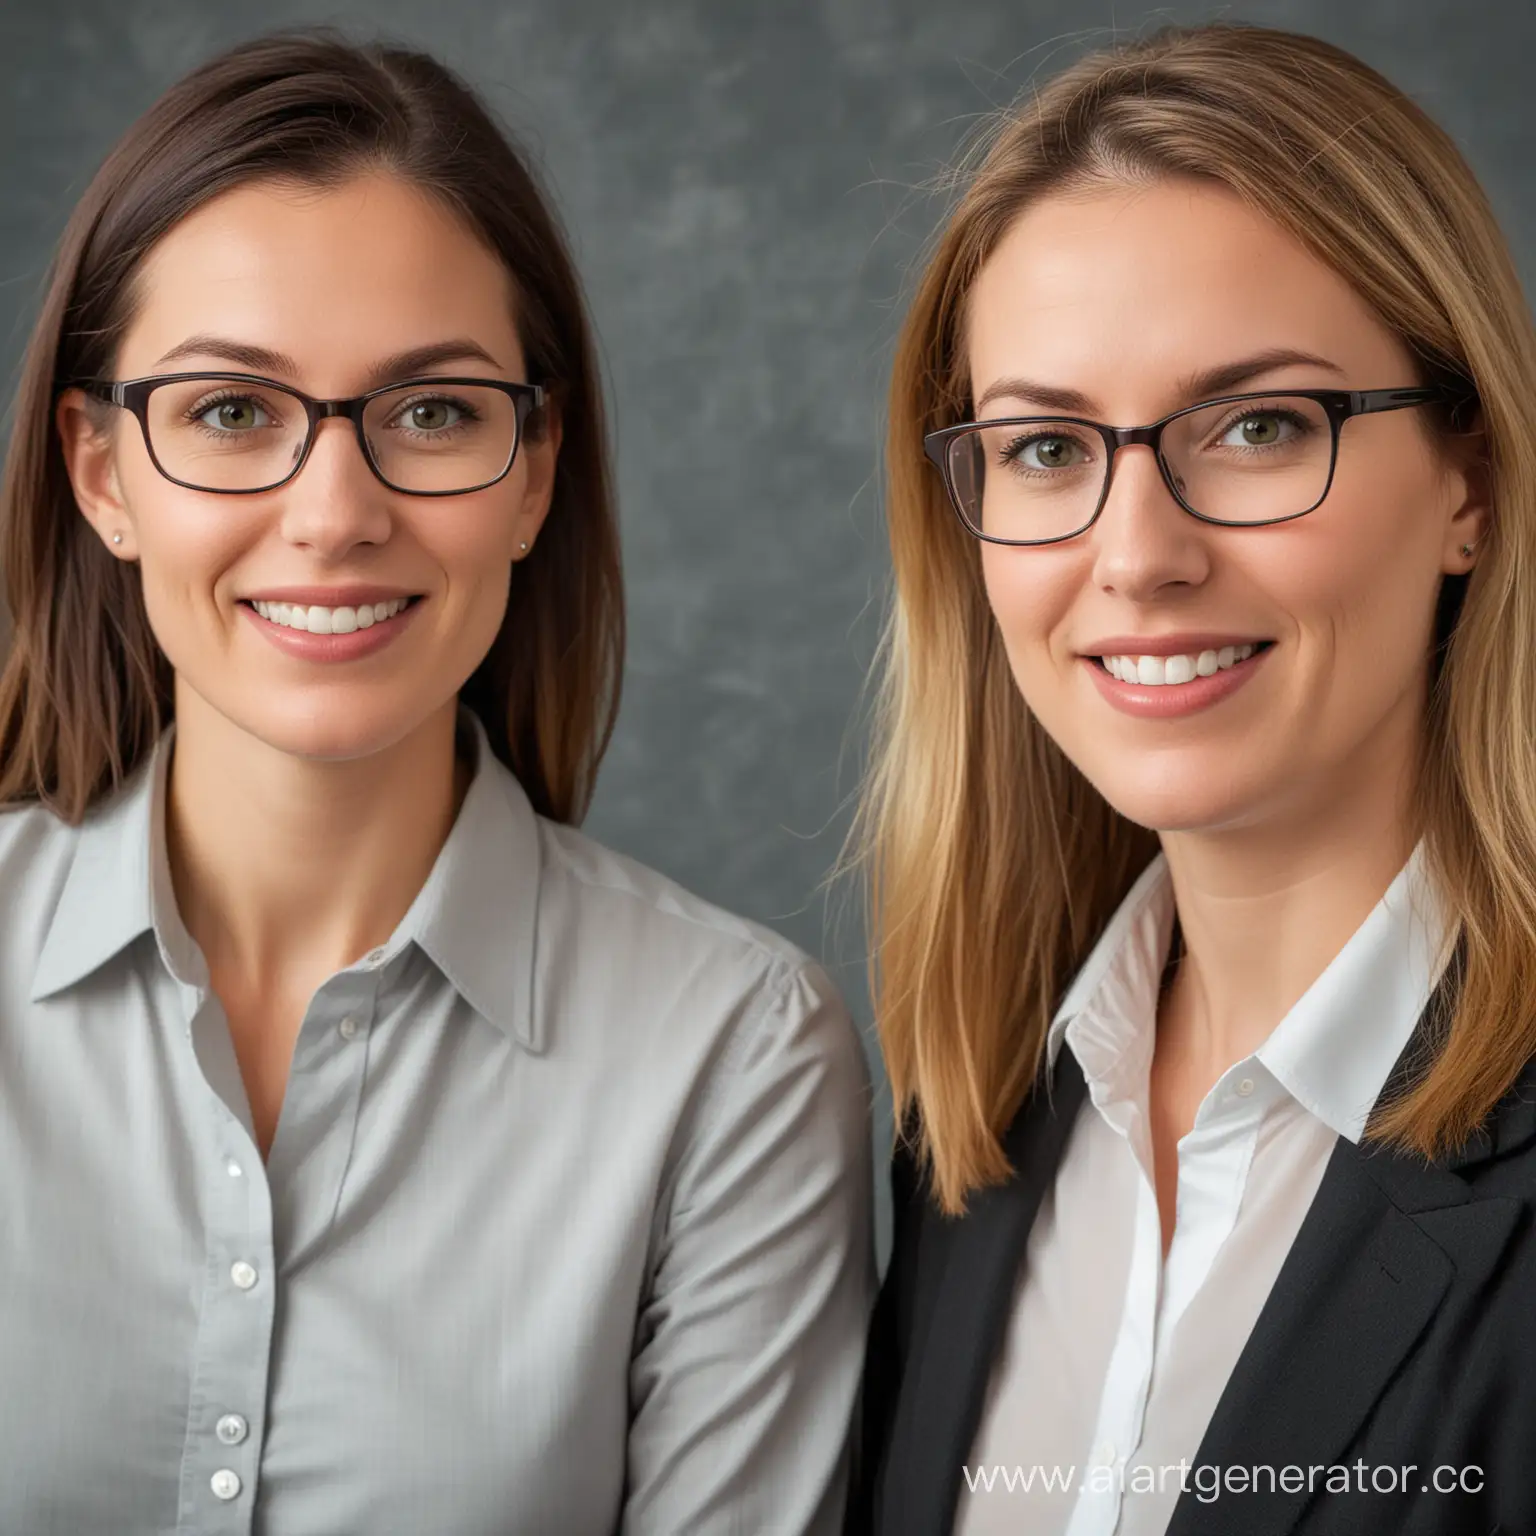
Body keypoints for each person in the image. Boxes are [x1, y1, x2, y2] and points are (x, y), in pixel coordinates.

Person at [0, 30, 873, 1534]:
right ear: (100, 475)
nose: (335, 516)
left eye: (431, 414)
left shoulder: (735, 1059)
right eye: (230, 412)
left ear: (533, 472)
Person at [847, 21, 1536, 1536]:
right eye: (1043, 448)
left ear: (1471, 487)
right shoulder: (974, 1135)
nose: (1140, 554)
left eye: (1261, 427)